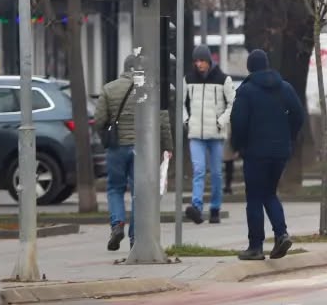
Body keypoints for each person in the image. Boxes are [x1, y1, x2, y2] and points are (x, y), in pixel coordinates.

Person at [230, 49, 304, 261]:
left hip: (255, 152)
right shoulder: (285, 88)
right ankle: (281, 234)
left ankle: (255, 246)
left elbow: (239, 123)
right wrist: (289, 137)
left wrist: (238, 145)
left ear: (250, 68)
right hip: (280, 151)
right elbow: (298, 115)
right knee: (269, 193)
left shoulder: (246, 91)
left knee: (254, 196)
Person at [99, 55, 172, 252]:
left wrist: (106, 138)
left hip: (117, 147)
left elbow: (99, 120)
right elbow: (162, 120)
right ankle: (134, 238)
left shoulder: (109, 89)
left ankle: (117, 224)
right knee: (139, 193)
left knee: (115, 188)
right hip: (141, 148)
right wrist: (168, 146)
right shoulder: (149, 89)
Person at [184, 45, 235, 225]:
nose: (199, 64)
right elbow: (182, 103)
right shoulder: (188, 79)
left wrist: (221, 121)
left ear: (209, 61)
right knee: (198, 170)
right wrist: (186, 119)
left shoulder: (223, 80)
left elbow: (232, 104)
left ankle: (215, 208)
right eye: (196, 61)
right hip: (196, 133)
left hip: (216, 134)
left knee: (216, 174)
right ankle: (196, 207)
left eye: (202, 61)